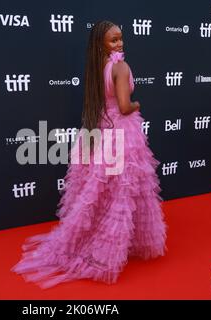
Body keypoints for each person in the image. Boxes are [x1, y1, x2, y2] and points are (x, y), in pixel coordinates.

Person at [11, 20, 167, 289]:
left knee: (101, 191)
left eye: (120, 38)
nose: (120, 43)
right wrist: (138, 103)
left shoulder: (98, 67)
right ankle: (108, 251)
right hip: (122, 134)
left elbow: (103, 102)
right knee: (121, 192)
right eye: (113, 40)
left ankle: (100, 241)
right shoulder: (120, 66)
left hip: (101, 131)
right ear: (101, 44)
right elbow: (124, 105)